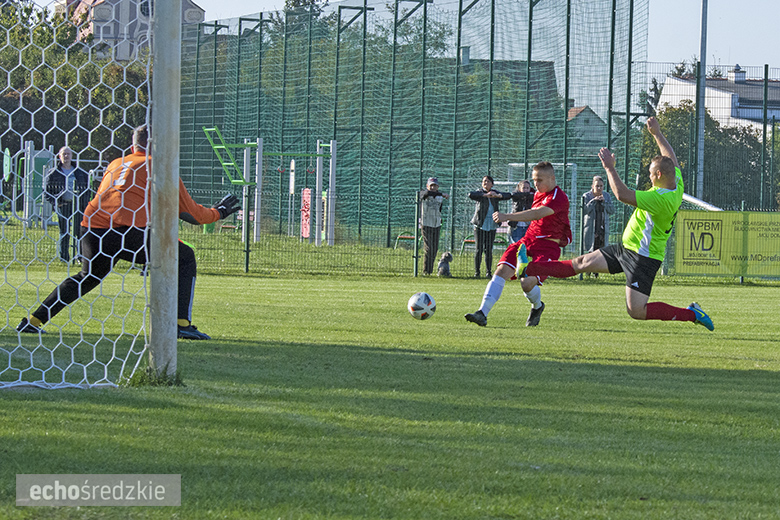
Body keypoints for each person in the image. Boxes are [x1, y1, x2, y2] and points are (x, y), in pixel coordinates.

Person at [17, 125, 240, 340]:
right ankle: (182, 325)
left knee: (87, 277)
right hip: (127, 231)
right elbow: (192, 214)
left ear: (133, 147)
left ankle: (33, 321)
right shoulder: (159, 165)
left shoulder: (116, 163)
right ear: (158, 145)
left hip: (93, 228)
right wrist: (218, 212)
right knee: (185, 257)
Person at [523, 117, 714, 331]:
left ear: (659, 175)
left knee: (636, 311)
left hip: (643, 258)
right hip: (626, 248)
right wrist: (657, 134)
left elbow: (622, 194)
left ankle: (692, 314)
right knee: (581, 263)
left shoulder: (661, 198)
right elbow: (670, 158)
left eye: (651, 174)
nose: (649, 178)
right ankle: (528, 268)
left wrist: (609, 168)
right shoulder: (675, 181)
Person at [465, 162, 571, 327]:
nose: (536, 184)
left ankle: (537, 306)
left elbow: (537, 214)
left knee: (526, 283)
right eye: (534, 180)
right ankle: (482, 313)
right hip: (528, 240)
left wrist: (507, 216)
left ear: (552, 178)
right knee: (501, 270)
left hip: (548, 246)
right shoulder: (538, 193)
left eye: (540, 180)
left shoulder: (559, 197)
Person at [45, 146, 90, 263]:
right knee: (64, 232)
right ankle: (64, 258)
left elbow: (87, 189)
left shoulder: (80, 172)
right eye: (64, 154)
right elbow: (47, 192)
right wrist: (56, 203)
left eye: (68, 154)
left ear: (72, 156)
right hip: (63, 205)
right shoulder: (53, 173)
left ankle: (80, 257)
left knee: (79, 232)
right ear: (59, 156)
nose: (66, 156)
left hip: (78, 206)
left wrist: (84, 203)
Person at [469, 175, 511, 278]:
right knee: (478, 249)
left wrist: (498, 196)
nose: (485, 183)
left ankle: (488, 272)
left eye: (488, 181)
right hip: (480, 224)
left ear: (492, 184)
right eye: (484, 181)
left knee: (488, 249)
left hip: (491, 224)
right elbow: (471, 194)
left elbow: (508, 195)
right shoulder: (480, 193)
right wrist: (485, 195)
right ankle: (477, 272)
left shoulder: (494, 193)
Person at [419, 177, 448, 276]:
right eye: (431, 185)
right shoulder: (424, 194)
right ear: (427, 186)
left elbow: (439, 209)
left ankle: (430, 270)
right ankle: (426, 271)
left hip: (436, 224)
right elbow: (426, 194)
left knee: (434, 249)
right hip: (426, 224)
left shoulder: (440, 197)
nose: (433, 187)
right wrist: (441, 194)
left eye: (435, 185)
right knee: (429, 248)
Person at [581, 175, 614, 253]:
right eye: (597, 186)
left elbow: (612, 210)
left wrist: (604, 202)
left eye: (601, 186)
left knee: (602, 252)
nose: (599, 188)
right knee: (590, 252)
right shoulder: (586, 196)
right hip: (590, 228)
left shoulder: (607, 196)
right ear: (592, 186)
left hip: (603, 230)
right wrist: (593, 201)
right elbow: (585, 210)